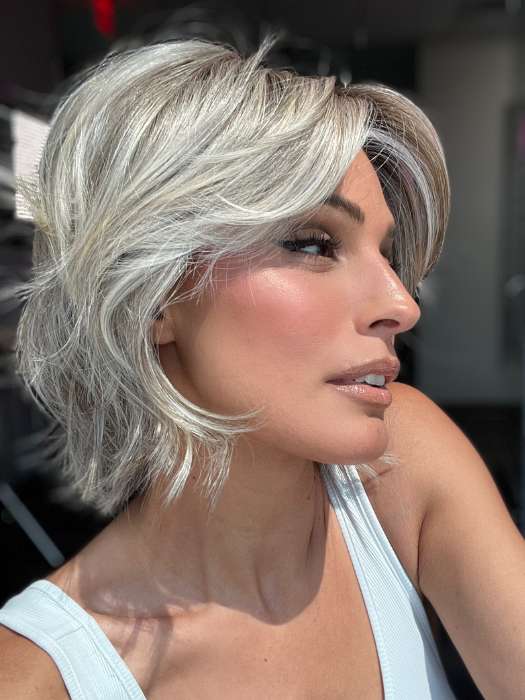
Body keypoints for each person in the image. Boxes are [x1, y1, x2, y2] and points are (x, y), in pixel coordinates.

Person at [0, 34, 523, 700]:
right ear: (150, 297)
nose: (401, 304)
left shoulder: (399, 465)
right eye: (313, 244)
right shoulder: (41, 677)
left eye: (387, 254)